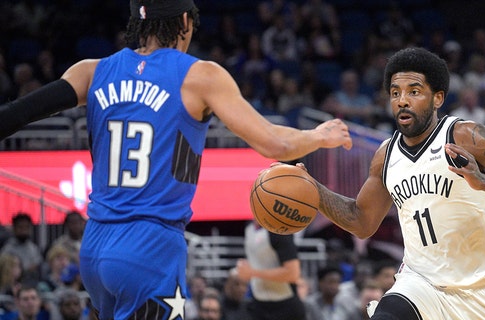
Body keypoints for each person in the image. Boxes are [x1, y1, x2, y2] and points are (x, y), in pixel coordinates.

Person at [0, 1, 352, 319]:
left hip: (94, 248)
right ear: (185, 21)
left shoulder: (91, 71)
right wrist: (317, 136)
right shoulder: (200, 75)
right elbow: (274, 143)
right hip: (149, 247)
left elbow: (16, 114)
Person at [302, 47, 485, 319]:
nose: (402, 101)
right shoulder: (385, 156)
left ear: (437, 98)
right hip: (418, 283)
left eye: (414, 91)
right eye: (395, 93)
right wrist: (313, 190)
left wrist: (483, 182)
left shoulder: (464, 135)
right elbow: (361, 221)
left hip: (478, 294)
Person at [235, 222, 306, 320]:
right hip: (259, 304)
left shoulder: (279, 229)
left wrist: (252, 273)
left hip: (284, 306)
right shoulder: (249, 228)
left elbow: (293, 274)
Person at [0, 213, 43, 288]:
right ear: (14, 228)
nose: (24, 231)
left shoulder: (34, 248)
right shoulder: (7, 249)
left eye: (26, 227)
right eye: (20, 227)